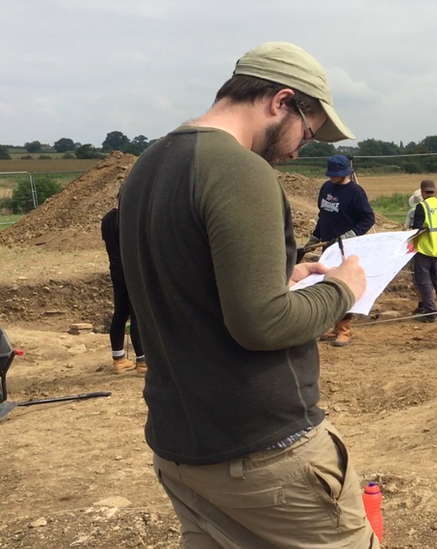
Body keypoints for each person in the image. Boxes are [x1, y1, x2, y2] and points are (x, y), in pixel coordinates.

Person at [117, 42, 376, 549]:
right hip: (261, 450)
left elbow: (185, 285)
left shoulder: (150, 162)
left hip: (181, 445)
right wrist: (343, 288)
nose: (304, 147)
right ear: (281, 101)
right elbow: (263, 324)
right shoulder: (240, 170)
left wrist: (276, 278)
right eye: (311, 128)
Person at [306, 154, 375, 346]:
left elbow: (368, 218)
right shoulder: (326, 187)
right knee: (329, 285)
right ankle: (335, 327)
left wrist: (349, 235)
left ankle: (344, 330)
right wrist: (316, 235)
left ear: (345, 173)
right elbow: (324, 214)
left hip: (347, 248)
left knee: (344, 287)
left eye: (336, 175)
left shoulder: (355, 192)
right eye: (331, 175)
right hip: (327, 247)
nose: (333, 178)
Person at [100, 202, 146, 375]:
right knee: (137, 315)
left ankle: (118, 359)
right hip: (132, 271)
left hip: (116, 269)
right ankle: (143, 361)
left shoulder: (106, 220)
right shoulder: (128, 218)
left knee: (120, 313)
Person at [411, 179, 437, 321]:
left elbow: (417, 229)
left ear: (422, 192)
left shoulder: (422, 206)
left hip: (424, 248)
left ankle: (430, 312)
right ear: (435, 191)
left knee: (423, 280)